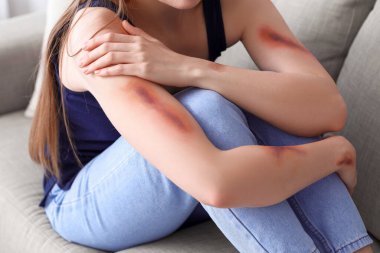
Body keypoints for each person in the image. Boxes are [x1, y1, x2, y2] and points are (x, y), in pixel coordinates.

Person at [29, 0, 374, 252]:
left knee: (278, 102)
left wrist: (190, 68)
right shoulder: (98, 33)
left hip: (195, 177)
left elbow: (328, 108)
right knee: (205, 106)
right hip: (90, 200)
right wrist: (334, 153)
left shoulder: (234, 5)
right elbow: (216, 184)